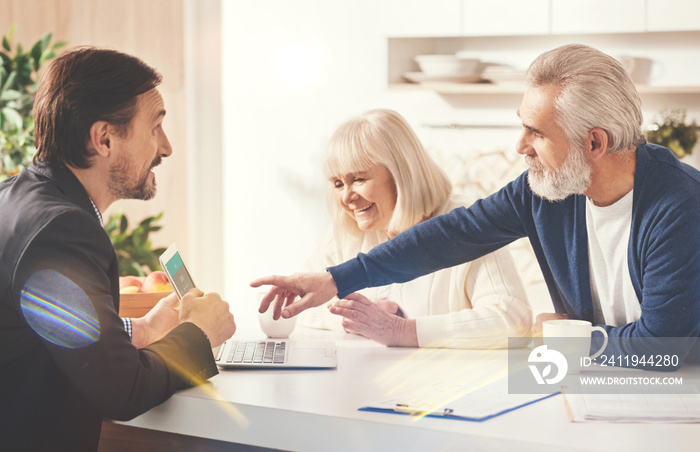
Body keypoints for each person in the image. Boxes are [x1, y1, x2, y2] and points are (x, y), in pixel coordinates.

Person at [252, 44, 700, 369]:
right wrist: (335, 279)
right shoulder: (550, 192)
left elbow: (663, 349)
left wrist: (562, 340)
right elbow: (451, 235)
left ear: (595, 143)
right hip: (604, 381)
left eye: (535, 132)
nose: (520, 145)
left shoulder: (678, 206)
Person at [0, 47, 236, 451]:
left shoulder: (15, 198)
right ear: (104, 138)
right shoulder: (62, 229)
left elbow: (42, 333)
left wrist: (141, 329)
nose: (165, 147)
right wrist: (200, 333)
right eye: (155, 127)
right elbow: (122, 390)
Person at [297, 109, 532, 348]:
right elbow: (296, 305)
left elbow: (512, 320)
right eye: (338, 184)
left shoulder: (468, 224)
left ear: (401, 174)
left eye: (359, 179)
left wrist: (403, 330)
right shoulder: (347, 231)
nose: (347, 197)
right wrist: (358, 320)